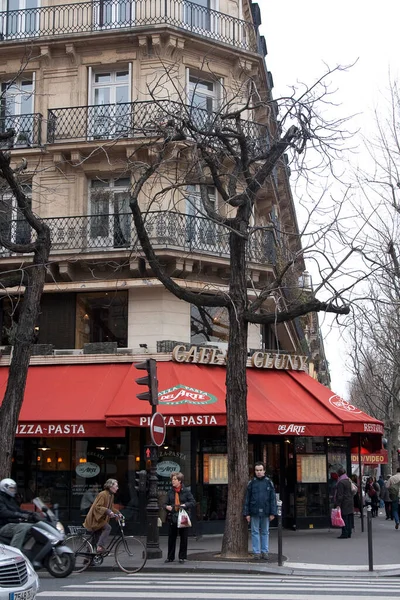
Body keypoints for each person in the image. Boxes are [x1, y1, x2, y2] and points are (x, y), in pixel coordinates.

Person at [243, 462, 277, 560]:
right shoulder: (251, 483)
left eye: (260, 470)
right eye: (257, 470)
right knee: (255, 532)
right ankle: (256, 552)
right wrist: (247, 513)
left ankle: (264, 551)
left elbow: (272, 499)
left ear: (264, 471)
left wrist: (272, 512)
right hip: (254, 511)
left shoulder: (268, 482)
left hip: (266, 512)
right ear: (255, 471)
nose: (259, 472)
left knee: (265, 532)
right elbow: (247, 499)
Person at [164, 472, 195, 564]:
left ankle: (182, 557)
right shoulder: (170, 492)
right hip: (173, 516)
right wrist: (166, 507)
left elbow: (193, 502)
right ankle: (170, 557)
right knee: (171, 537)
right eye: (172, 479)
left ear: (179, 481)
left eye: (175, 479)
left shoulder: (186, 491)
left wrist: (185, 505)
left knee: (183, 537)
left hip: (183, 516)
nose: (173, 481)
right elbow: (165, 503)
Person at [0, 478, 39, 551]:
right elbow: (4, 512)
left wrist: (31, 513)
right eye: (11, 488)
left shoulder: (10, 499)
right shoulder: (1, 499)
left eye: (14, 488)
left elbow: (18, 510)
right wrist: (20, 515)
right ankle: (14, 551)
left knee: (33, 527)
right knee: (22, 528)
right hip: (3, 526)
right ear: (4, 487)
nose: (13, 490)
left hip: (11, 524)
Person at [83, 479, 121, 553]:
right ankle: (100, 546)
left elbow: (111, 507)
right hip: (95, 519)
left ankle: (87, 559)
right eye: (116, 486)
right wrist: (108, 511)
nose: (117, 488)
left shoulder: (111, 495)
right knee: (108, 527)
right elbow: (97, 507)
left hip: (99, 519)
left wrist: (118, 513)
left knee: (95, 539)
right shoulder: (103, 494)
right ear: (110, 486)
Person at [335, 467, 354, 539]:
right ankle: (349, 532)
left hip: (344, 502)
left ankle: (344, 533)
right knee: (349, 517)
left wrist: (338, 504)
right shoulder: (348, 480)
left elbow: (340, 495)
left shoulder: (341, 482)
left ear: (339, 474)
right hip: (350, 501)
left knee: (344, 518)